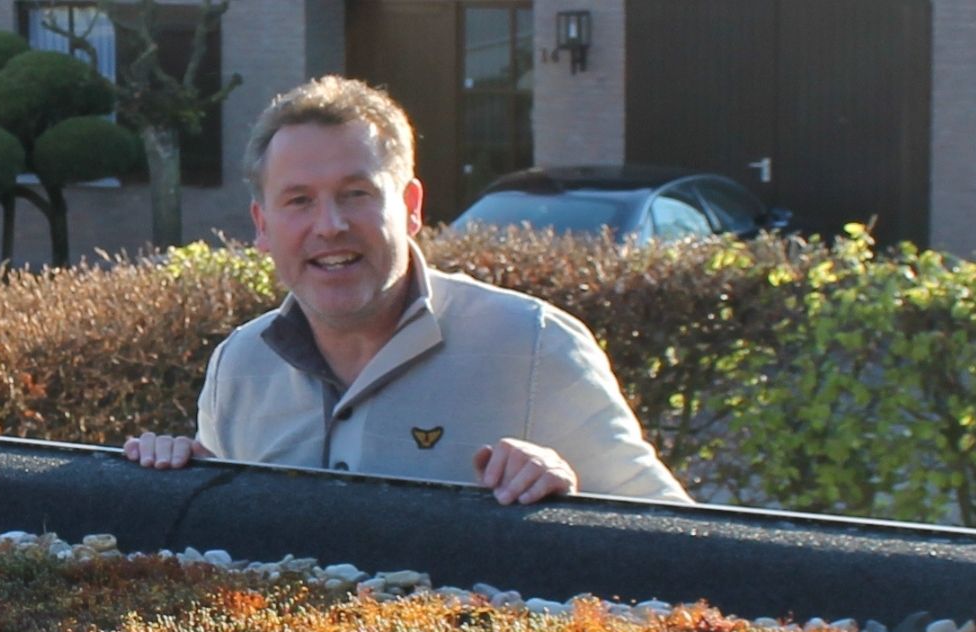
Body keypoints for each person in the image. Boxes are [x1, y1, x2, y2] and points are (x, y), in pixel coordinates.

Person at [121, 76, 691, 506]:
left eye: (356, 193)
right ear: (263, 226)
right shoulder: (239, 366)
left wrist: (574, 499)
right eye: (298, 200)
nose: (330, 226)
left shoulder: (535, 347)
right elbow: (224, 550)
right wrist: (176, 479)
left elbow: (679, 547)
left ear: (412, 208)